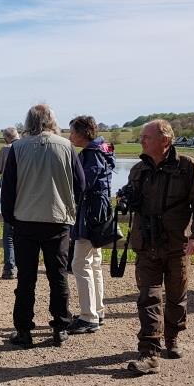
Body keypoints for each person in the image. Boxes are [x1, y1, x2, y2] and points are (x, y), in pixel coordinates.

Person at [122, 119, 194, 375]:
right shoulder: (138, 170)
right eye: (142, 137)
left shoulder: (186, 167)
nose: (142, 141)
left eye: (146, 137)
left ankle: (172, 337)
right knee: (148, 297)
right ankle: (149, 351)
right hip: (147, 244)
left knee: (176, 296)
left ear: (165, 140)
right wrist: (127, 199)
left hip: (177, 244)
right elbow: (133, 201)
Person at [0, 104, 85, 348]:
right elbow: (81, 184)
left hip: (25, 219)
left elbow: (8, 188)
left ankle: (24, 330)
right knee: (57, 276)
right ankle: (60, 327)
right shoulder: (66, 146)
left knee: (25, 279)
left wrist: (10, 218)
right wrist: (70, 207)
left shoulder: (17, 148)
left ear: (28, 122)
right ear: (51, 121)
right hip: (57, 220)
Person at [66, 115, 115, 334]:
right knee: (93, 262)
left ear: (83, 133)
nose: (70, 136)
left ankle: (88, 316)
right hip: (99, 214)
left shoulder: (91, 155)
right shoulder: (101, 151)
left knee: (80, 264)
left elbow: (82, 184)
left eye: (73, 132)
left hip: (90, 216)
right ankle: (97, 310)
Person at [0, 126, 20, 280]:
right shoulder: (26, 147)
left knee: (8, 235)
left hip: (8, 195)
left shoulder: (5, 150)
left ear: (5, 138)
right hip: (25, 196)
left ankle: (9, 269)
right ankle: (23, 266)